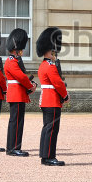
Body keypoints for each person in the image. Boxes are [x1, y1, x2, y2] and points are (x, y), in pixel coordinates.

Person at [37, 27, 69, 166]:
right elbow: (58, 83)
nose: (55, 53)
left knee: (47, 128)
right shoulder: (50, 66)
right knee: (52, 130)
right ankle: (49, 156)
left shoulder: (43, 65)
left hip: (46, 100)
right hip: (52, 100)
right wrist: (65, 95)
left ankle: (45, 156)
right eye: (53, 51)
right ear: (49, 51)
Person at [4, 28, 37, 157]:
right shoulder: (12, 62)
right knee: (16, 121)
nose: (22, 52)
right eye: (21, 50)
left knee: (17, 121)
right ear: (16, 49)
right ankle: (13, 148)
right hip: (16, 94)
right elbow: (21, 77)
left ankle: (13, 147)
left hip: (18, 93)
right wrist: (30, 86)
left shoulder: (14, 61)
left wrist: (30, 85)